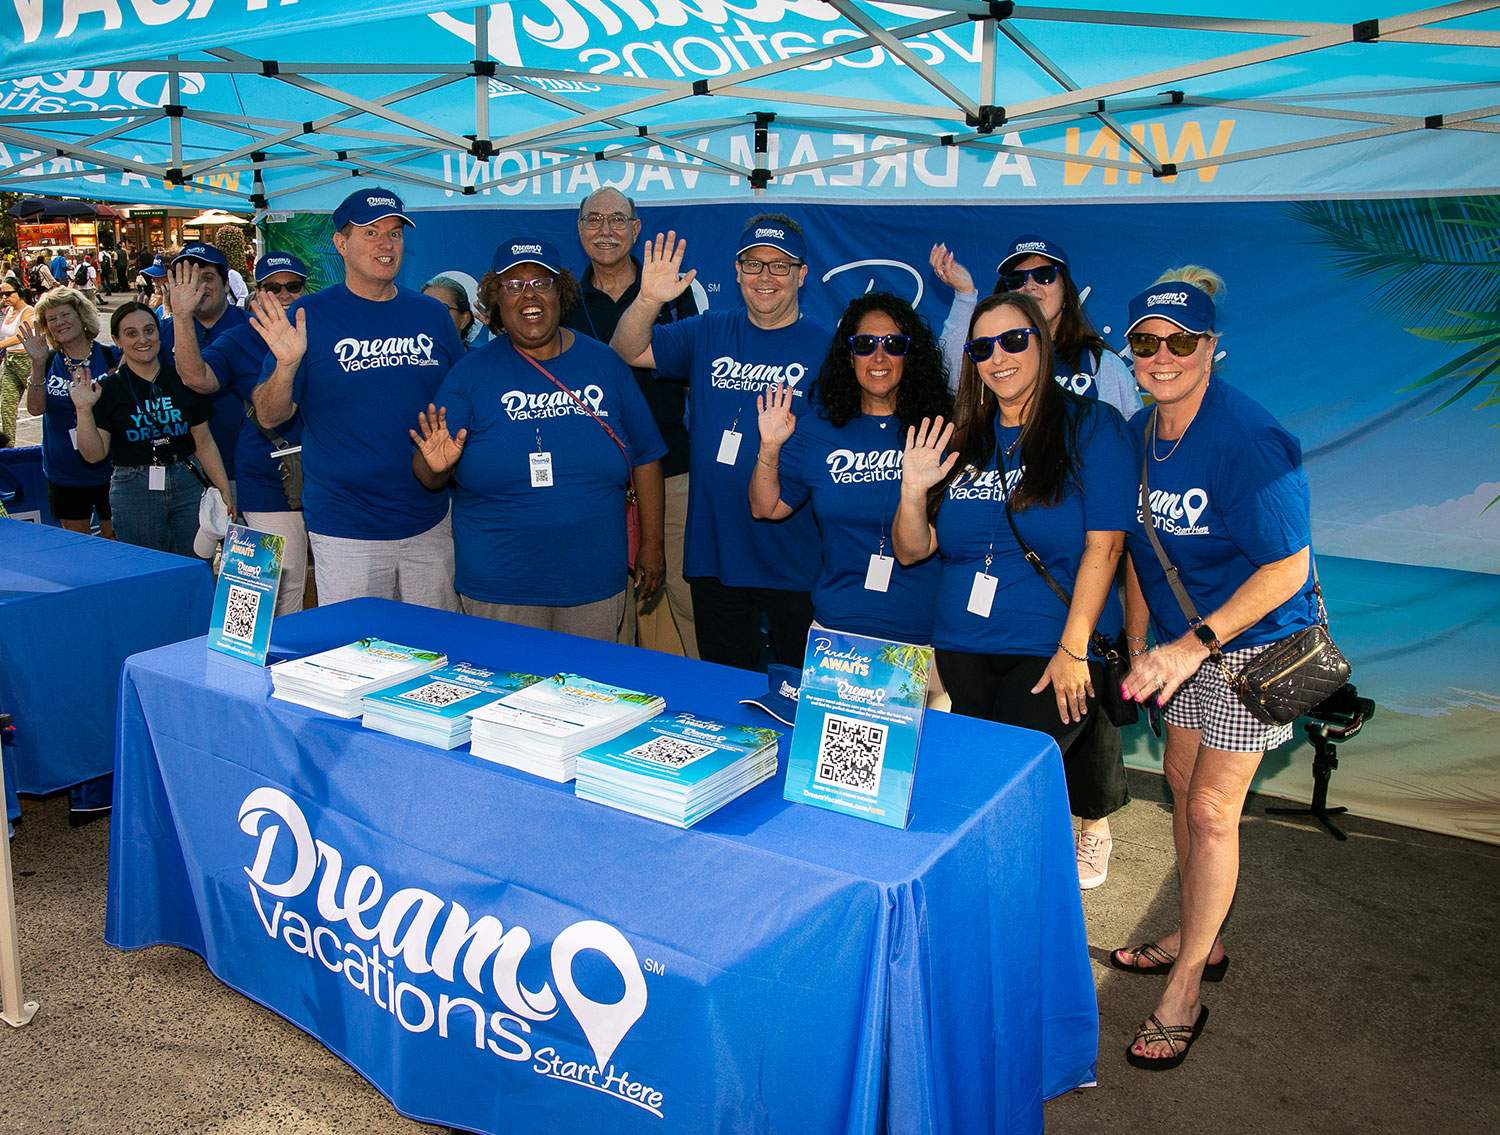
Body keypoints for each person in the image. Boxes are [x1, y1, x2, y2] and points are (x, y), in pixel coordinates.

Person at [1110, 269, 1320, 1071]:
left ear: (1211, 349)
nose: (1164, 356)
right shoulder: (1136, 434)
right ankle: (1200, 931)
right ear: (1130, 352)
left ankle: (1187, 988)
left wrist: (1191, 644)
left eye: (1182, 342)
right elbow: (1137, 550)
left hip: (1255, 645)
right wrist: (1139, 642)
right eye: (1147, 342)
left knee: (1210, 812)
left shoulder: (1246, 439)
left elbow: (1286, 570)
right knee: (1176, 779)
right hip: (1178, 644)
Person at [893, 291, 1136, 885]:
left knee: (1002, 791)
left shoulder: (1090, 425)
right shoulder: (962, 438)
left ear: (1043, 344)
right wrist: (909, 488)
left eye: (1013, 340)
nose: (998, 356)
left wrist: (1075, 647)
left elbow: (1105, 546)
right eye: (982, 347)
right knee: (988, 791)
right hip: (962, 647)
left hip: (1052, 648)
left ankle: (1020, 911)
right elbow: (912, 549)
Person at [413, 239, 665, 639]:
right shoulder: (469, 374)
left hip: (594, 581)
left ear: (560, 292)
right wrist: (434, 466)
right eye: (512, 286)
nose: (528, 294)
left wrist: (653, 545)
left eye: (541, 282)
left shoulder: (604, 364)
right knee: (506, 696)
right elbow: (428, 472)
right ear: (496, 299)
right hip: (501, 586)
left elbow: (647, 456)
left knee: (590, 696)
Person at [610, 215, 825, 670]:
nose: (765, 277)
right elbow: (626, 351)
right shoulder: (708, 330)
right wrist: (648, 298)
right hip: (717, 551)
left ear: (802, 274)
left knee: (798, 698)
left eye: (780, 265)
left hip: (796, 557)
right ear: (736, 271)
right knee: (730, 694)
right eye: (754, 264)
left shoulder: (829, 348)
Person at [251, 187, 464, 609]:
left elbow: (460, 401)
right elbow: (269, 415)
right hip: (346, 527)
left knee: (438, 652)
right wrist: (288, 365)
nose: (385, 244)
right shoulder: (306, 316)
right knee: (357, 659)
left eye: (395, 233)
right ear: (341, 243)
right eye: (370, 232)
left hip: (430, 520)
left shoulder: (432, 315)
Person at [750, 292, 950, 645]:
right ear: (849, 355)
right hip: (834, 629)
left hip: (923, 635)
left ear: (911, 354)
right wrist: (769, 447)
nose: (879, 356)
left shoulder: (940, 431)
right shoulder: (818, 430)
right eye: (865, 344)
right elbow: (766, 507)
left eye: (893, 344)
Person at [563, 188, 701, 656]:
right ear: (580, 229)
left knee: (680, 606)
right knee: (602, 616)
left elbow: (691, 379)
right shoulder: (562, 297)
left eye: (618, 219)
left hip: (670, 470)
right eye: (594, 220)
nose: (606, 231)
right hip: (591, 479)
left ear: (636, 228)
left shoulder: (672, 292)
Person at [173, 252, 311, 614]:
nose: (284, 295)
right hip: (268, 478)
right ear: (257, 293)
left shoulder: (324, 330)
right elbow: (196, 377)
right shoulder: (240, 338)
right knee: (277, 581)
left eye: (292, 286)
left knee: (326, 581)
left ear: (305, 289)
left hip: (328, 477)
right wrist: (182, 316)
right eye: (273, 287)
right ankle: (260, 663)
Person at [70, 302, 231, 555]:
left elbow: (204, 441)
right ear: (117, 340)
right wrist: (83, 410)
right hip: (134, 488)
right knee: (147, 568)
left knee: (194, 564)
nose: (142, 339)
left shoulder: (184, 380)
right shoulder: (108, 389)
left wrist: (224, 489)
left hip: (187, 481)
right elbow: (93, 454)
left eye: (149, 330)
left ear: (159, 333)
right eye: (131, 333)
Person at [930, 235, 1143, 418]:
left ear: (1067, 295)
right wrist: (965, 295)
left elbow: (1124, 435)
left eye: (1044, 276)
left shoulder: (1098, 362)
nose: (1030, 286)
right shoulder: (994, 358)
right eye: (1016, 279)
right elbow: (952, 379)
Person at [19, 287, 116, 537]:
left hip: (112, 469)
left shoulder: (111, 357)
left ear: (81, 316)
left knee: (116, 543)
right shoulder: (49, 361)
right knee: (78, 547)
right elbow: (35, 408)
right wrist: (37, 364)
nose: (59, 323)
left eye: (65, 314)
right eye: (52, 319)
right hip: (64, 472)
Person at [159, 244, 251, 492]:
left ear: (226, 284)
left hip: (248, 469)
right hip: (185, 471)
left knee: (258, 533)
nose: (199, 287)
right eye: (189, 279)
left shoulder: (252, 327)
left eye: (208, 277)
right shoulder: (162, 332)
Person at [1, 279, 36, 444]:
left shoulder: (29, 311)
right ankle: (8, 450)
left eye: (8, 293)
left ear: (19, 292)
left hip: (26, 361)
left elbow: (21, 335)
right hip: (10, 361)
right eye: (2, 294)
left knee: (44, 403)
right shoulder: (8, 310)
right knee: (6, 405)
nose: (5, 297)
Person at [423, 275, 484, 350]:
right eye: (425, 309)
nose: (431, 316)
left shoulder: (480, 360)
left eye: (441, 308)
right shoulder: (406, 359)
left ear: (464, 319)